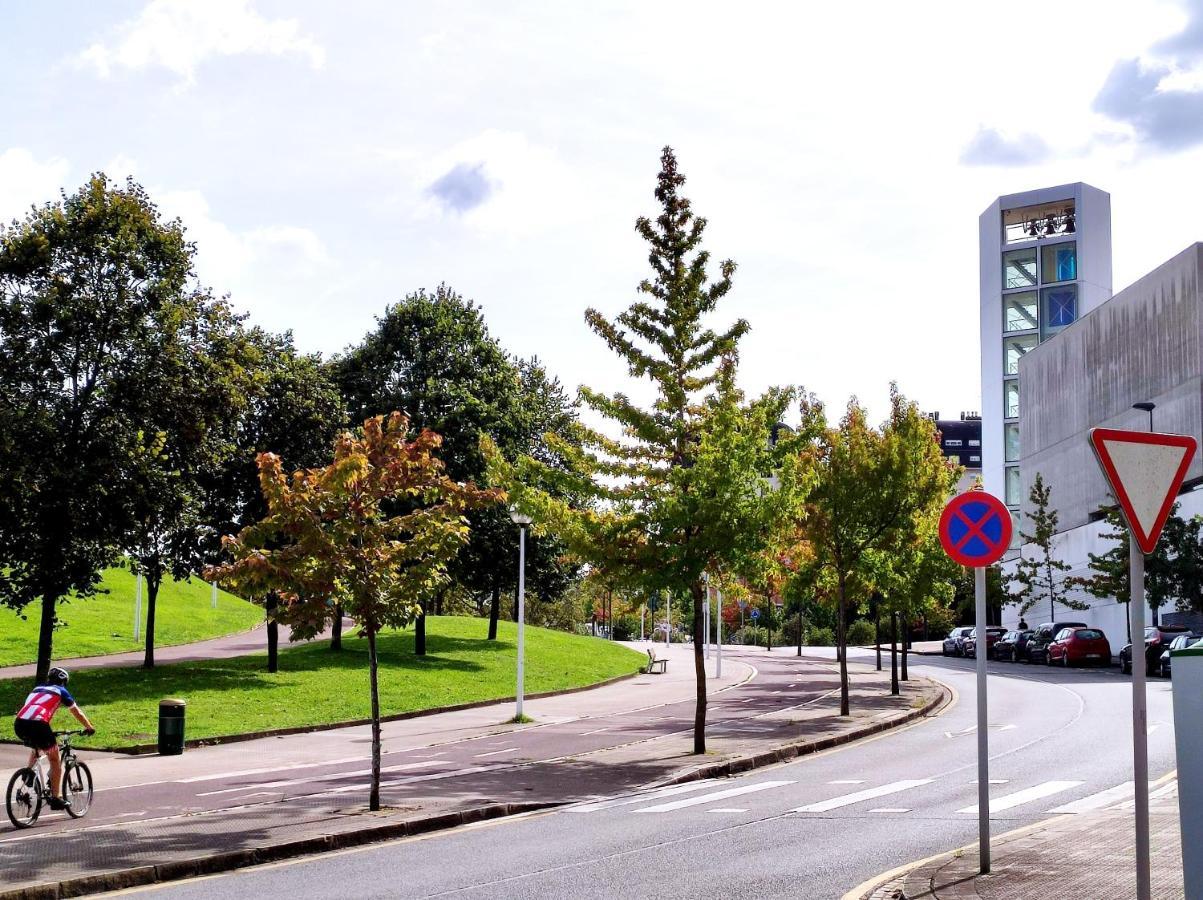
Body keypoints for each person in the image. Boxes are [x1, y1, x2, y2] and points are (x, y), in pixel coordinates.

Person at [13, 667, 95, 810]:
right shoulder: (61, 691)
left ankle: (28, 774)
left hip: (19, 723)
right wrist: (89, 727)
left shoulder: (36, 689)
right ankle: (56, 798)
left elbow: (31, 707)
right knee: (55, 760)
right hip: (39, 724)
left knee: (38, 746)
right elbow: (77, 712)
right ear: (63, 681)